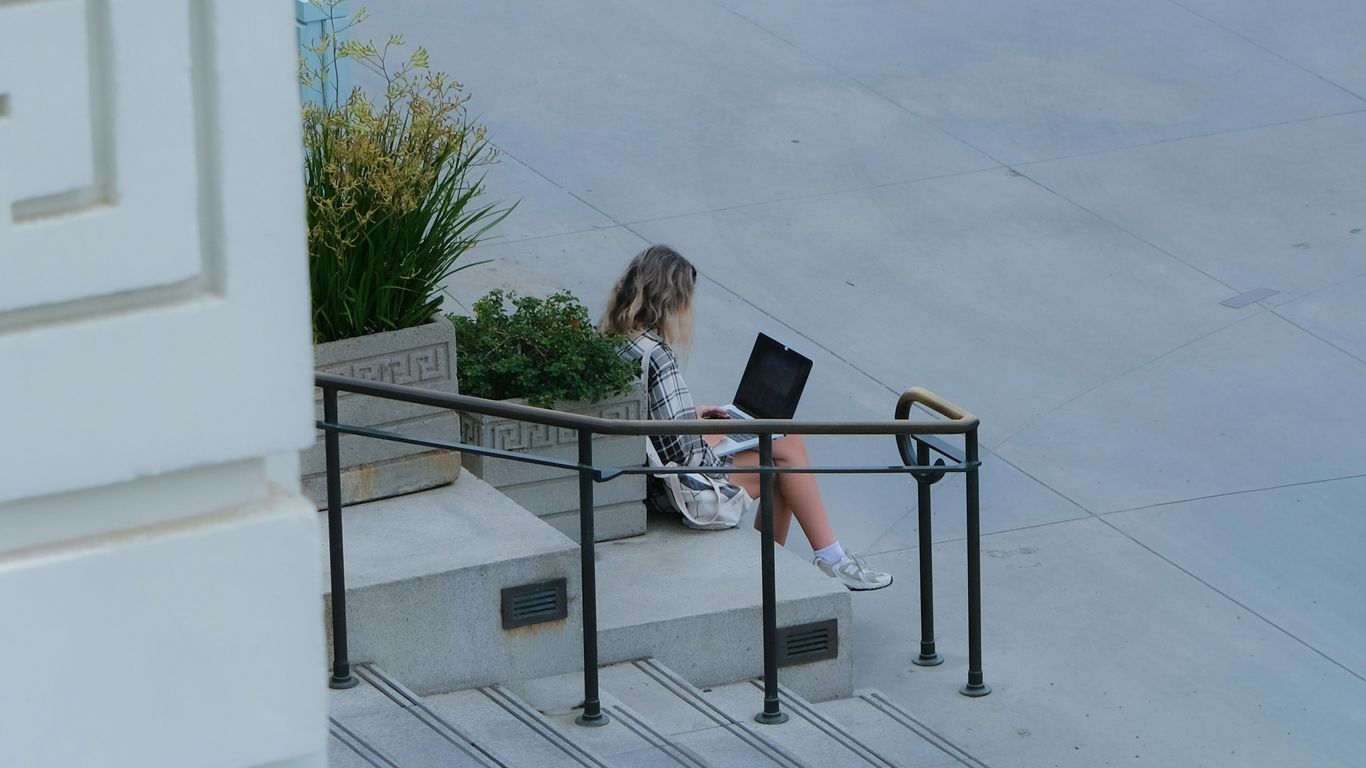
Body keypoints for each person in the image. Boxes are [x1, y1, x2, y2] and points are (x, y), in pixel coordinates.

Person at [599, 244, 892, 591]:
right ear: (671, 300)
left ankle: (804, 564)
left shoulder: (612, 336)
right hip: (677, 491)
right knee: (782, 459)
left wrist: (694, 416)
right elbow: (683, 455)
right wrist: (711, 437)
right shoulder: (657, 354)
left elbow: (646, 419)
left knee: (782, 445)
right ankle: (815, 563)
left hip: (641, 476)